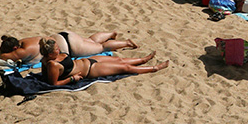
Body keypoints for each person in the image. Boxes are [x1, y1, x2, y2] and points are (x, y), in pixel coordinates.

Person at [39, 37, 168, 86]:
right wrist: (72, 79)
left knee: (118, 60)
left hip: (87, 61)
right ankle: (154, 68)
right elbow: (54, 83)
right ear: (50, 54)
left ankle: (143, 59)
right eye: (56, 49)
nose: (59, 49)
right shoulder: (52, 64)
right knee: (124, 68)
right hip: (89, 70)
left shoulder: (47, 58)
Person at [0, 31, 139, 68]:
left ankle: (126, 43)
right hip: (64, 36)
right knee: (91, 41)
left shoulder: (21, 52)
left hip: (70, 47)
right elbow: (3, 53)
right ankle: (110, 34)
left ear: (14, 48)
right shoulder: (23, 42)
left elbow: (3, 57)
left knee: (101, 47)